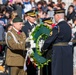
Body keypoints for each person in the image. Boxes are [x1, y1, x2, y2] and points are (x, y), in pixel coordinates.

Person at [41, 9, 73, 75]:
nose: (54, 17)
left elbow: (50, 39)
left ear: (57, 16)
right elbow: (69, 38)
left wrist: (43, 48)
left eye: (54, 16)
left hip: (58, 50)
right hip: (67, 49)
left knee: (57, 70)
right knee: (66, 70)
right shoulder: (68, 26)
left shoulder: (57, 27)